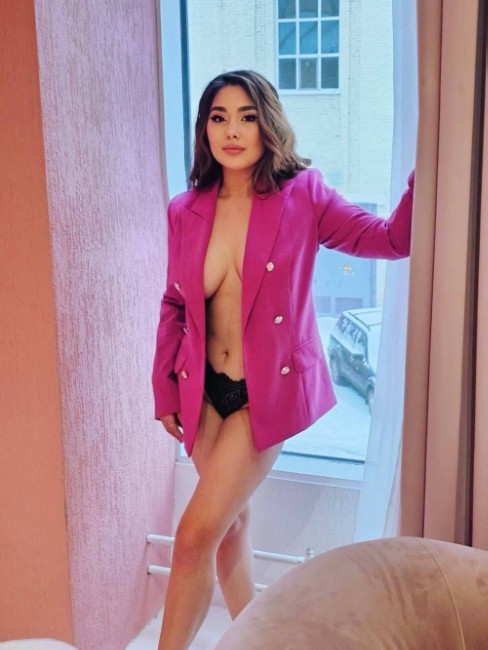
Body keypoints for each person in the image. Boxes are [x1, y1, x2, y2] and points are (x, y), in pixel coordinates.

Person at [152, 69, 414, 649]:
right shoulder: (185, 209)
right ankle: (258, 639)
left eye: (247, 117)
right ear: (204, 130)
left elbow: (391, 239)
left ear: (267, 125)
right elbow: (175, 304)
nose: (232, 131)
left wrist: (431, 169)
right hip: (203, 391)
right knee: (229, 528)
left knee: (194, 535)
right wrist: (164, 390)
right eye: (219, 118)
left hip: (265, 393)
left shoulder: (303, 195)